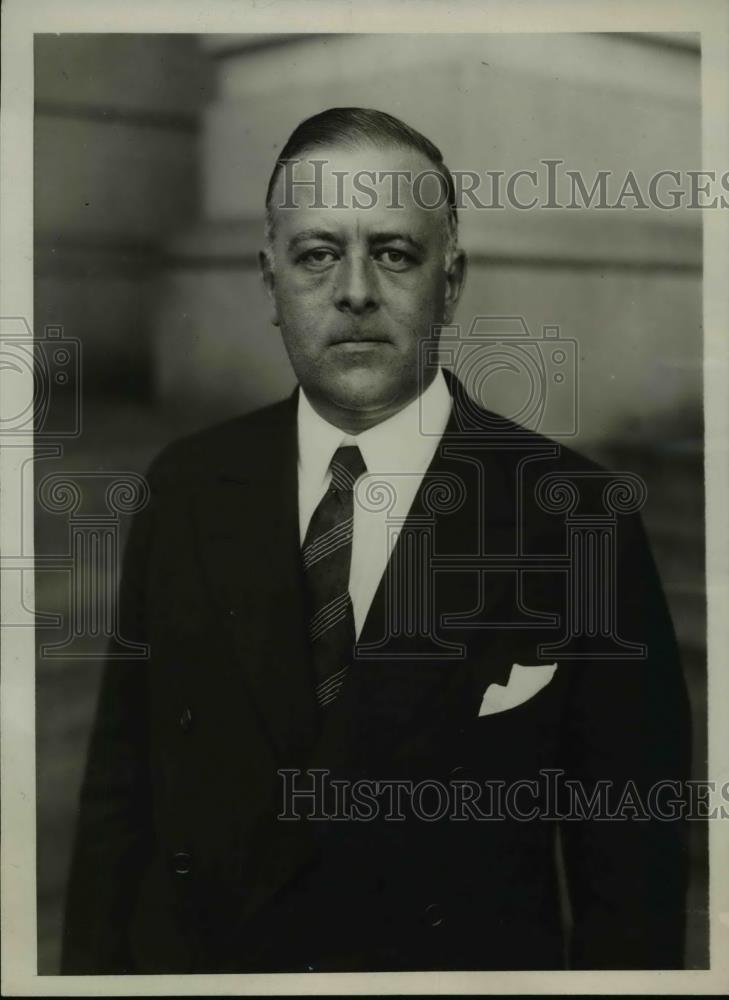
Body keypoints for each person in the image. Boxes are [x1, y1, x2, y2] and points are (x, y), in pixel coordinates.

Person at [61, 107, 691, 974]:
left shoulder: (576, 515)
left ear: (452, 281)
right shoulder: (185, 489)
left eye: (394, 252)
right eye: (317, 253)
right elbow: (115, 816)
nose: (354, 290)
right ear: (269, 279)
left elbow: (632, 884)